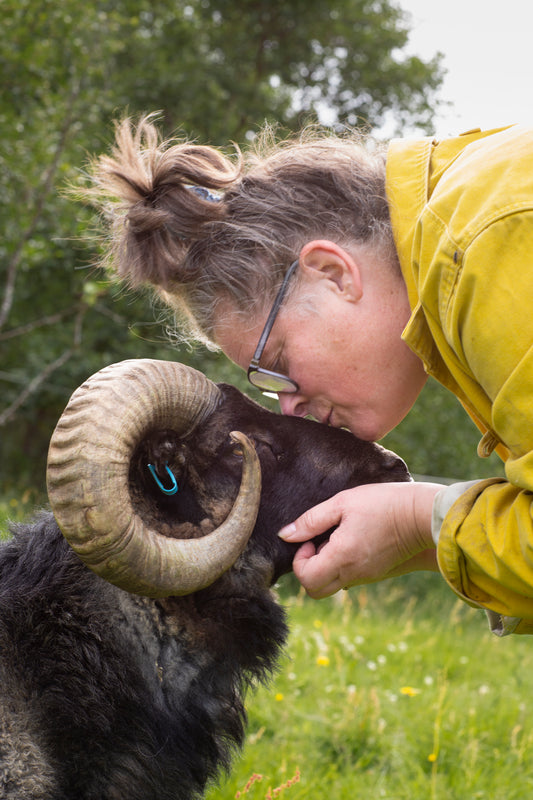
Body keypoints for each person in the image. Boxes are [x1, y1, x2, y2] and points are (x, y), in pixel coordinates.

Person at [88, 115, 533, 636]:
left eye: (276, 364)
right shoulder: (470, 216)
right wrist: (420, 540)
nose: (289, 407)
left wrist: (422, 521)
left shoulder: (484, 247)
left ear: (333, 273)